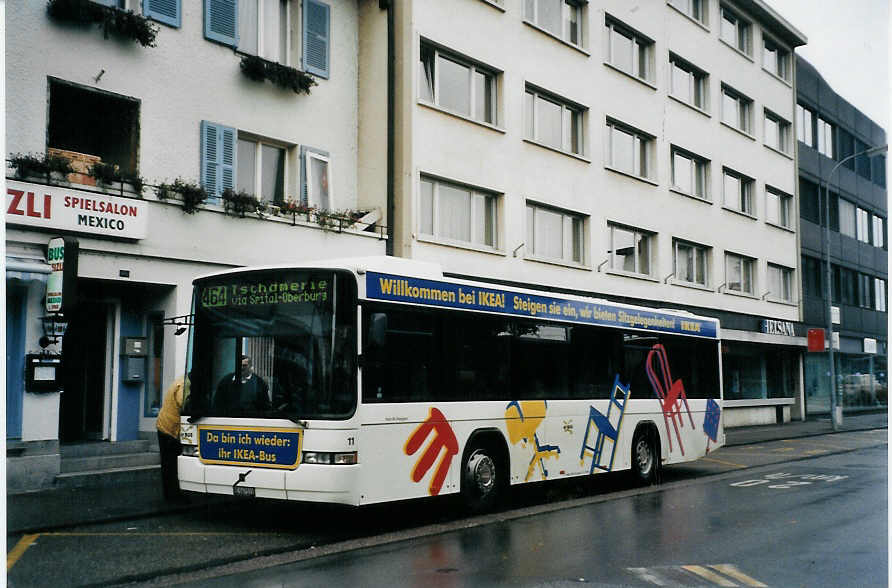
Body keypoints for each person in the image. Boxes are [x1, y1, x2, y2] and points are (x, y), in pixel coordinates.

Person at [156, 374, 189, 502]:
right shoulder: (185, 385)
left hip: (165, 426)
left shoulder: (183, 380)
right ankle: (173, 496)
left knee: (169, 464)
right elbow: (185, 405)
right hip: (169, 429)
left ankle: (171, 494)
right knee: (170, 464)